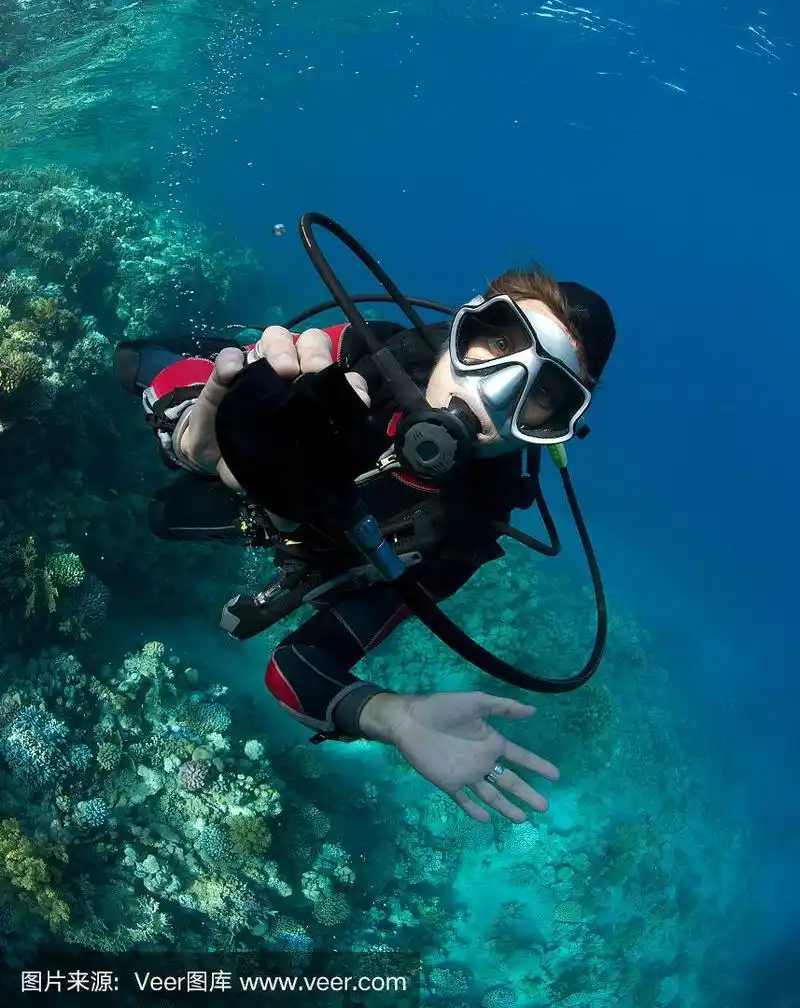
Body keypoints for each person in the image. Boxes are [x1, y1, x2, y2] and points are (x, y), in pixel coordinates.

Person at [115, 265, 615, 824]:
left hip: (296, 536)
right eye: (497, 341)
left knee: (165, 516)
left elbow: (301, 666)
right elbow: (216, 392)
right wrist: (190, 427)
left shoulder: (466, 528)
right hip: (248, 471)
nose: (493, 392)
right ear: (459, 328)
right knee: (136, 362)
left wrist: (393, 716)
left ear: (551, 429)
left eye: (543, 393)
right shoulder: (372, 351)